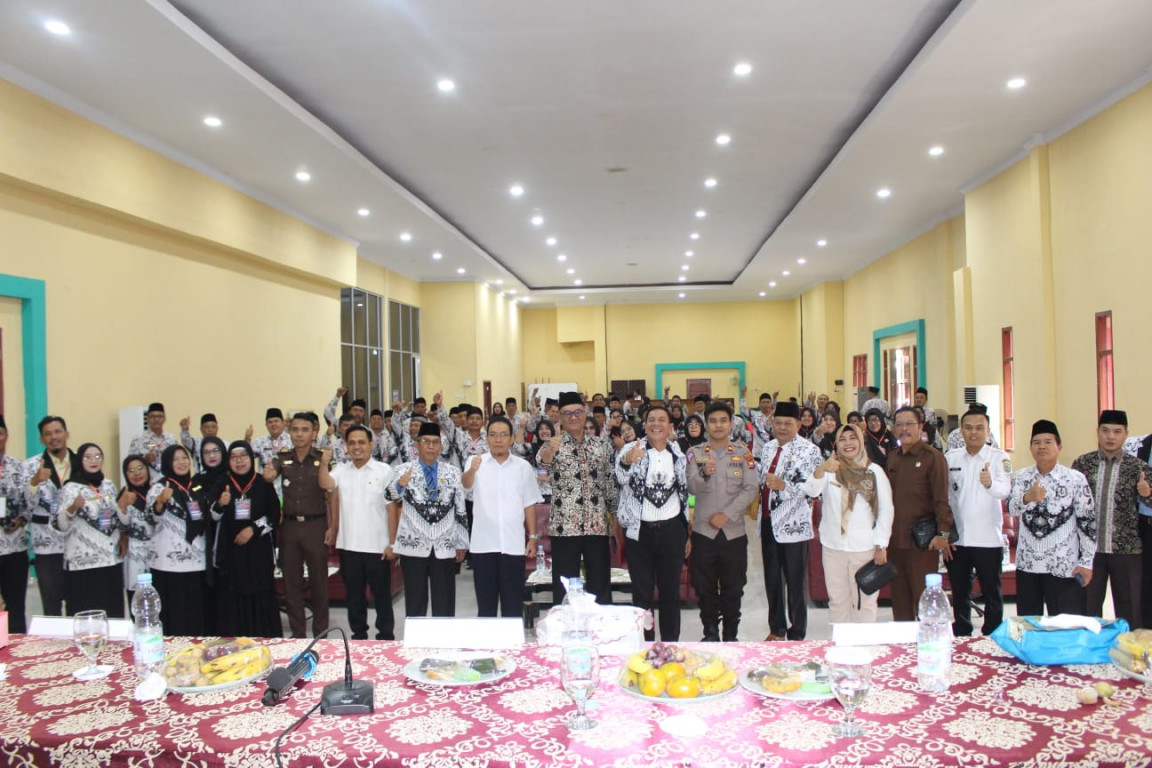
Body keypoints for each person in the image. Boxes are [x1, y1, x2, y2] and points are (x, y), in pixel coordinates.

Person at [805, 423, 894, 624]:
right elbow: (811, 490)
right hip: (833, 547)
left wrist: (881, 545)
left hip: (864, 548)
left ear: (861, 442)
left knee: (864, 602)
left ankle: (863, 642)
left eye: (853, 438)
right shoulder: (831, 469)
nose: (848, 443)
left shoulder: (874, 472)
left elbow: (886, 510)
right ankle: (840, 641)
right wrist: (821, 469)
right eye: (842, 439)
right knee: (837, 601)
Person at [686, 402, 760, 641]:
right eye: (713, 421)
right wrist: (703, 473)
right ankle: (710, 634)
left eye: (723, 421)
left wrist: (726, 515)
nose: (718, 425)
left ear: (730, 424)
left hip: (733, 534)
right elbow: (691, 487)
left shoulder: (743, 454)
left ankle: (730, 636)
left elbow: (751, 488)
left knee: (734, 588)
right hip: (703, 534)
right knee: (704, 587)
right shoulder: (695, 453)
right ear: (706, 425)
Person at [1071, 410, 1151, 628]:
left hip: (1126, 550)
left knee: (1130, 610)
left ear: (1126, 434)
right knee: (1087, 608)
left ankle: (1128, 647)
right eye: (1105, 431)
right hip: (1089, 551)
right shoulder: (1082, 464)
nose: (1110, 436)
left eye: (1117, 431)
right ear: (1097, 432)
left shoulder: (1138, 468)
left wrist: (1147, 494)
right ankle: (1089, 646)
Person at [616, 406, 690, 641]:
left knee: (670, 592)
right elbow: (620, 477)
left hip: (672, 531)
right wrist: (627, 460)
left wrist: (687, 532)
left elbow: (685, 492)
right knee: (642, 594)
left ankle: (670, 644)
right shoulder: (631, 448)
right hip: (640, 533)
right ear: (645, 424)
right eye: (651, 420)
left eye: (661, 420)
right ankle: (645, 645)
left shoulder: (678, 452)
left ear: (670, 426)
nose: (656, 424)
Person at [536, 392, 616, 605]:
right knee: (565, 587)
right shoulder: (551, 445)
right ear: (560, 418)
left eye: (577, 412)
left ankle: (600, 625)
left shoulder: (602, 445)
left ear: (585, 413)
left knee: (600, 585)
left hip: (597, 526)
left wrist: (614, 516)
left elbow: (610, 483)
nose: (573, 417)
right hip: (565, 527)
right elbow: (541, 472)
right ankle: (565, 624)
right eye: (567, 413)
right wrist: (549, 453)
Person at [1010, 420, 1095, 616]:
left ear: (1059, 447)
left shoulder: (1075, 479)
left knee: (1065, 623)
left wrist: (1086, 562)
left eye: (1048, 442)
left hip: (1063, 565)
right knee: (1029, 623)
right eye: (1036, 442)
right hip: (1028, 565)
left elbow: (1087, 522)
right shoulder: (1021, 477)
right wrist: (1027, 497)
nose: (1041, 446)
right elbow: (1012, 509)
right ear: (1030, 448)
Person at [262, 412, 335, 638]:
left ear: (314, 433)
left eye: (305, 430)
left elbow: (332, 491)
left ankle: (321, 635)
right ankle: (298, 635)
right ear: (289, 432)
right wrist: (268, 473)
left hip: (316, 526)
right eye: (295, 430)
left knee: (319, 583)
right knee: (291, 584)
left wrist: (333, 526)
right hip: (290, 527)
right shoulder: (282, 457)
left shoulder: (323, 458)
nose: (299, 434)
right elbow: (269, 475)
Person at [462, 417, 542, 617]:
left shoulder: (523, 467)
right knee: (486, 607)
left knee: (513, 605)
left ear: (511, 439)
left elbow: (529, 503)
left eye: (503, 435)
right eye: (493, 435)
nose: (498, 440)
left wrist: (533, 537)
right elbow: (465, 486)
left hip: (512, 545)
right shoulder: (474, 461)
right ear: (486, 438)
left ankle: (513, 638)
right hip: (483, 545)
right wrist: (473, 470)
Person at [386, 422, 468, 617]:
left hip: (444, 544)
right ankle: (417, 637)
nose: (431, 446)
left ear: (441, 445)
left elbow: (460, 507)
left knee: (445, 601)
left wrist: (462, 542)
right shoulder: (402, 470)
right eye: (426, 442)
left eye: (435, 442)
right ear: (417, 445)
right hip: (413, 544)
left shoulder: (452, 472)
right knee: (415, 602)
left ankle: (442, 636)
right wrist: (399, 485)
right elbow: (389, 497)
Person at [757, 401, 822, 640]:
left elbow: (813, 489)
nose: (782, 427)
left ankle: (797, 632)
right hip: (768, 522)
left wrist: (783, 486)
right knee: (772, 580)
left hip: (794, 524)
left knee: (795, 582)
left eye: (788, 423)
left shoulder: (810, 451)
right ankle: (777, 629)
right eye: (778, 423)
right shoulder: (768, 448)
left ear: (798, 424)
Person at [945, 408, 1013, 636]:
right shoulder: (951, 458)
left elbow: (1005, 491)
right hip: (959, 539)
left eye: (979, 428)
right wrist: (945, 533)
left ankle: (992, 634)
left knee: (992, 593)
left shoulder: (1000, 458)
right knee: (959, 592)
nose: (973, 432)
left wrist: (990, 483)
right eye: (968, 428)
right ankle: (962, 632)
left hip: (988, 540)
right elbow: (945, 497)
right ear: (961, 431)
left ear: (988, 431)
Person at [329, 426, 397, 639]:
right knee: (354, 596)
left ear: (371, 445)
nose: (356, 447)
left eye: (361, 442)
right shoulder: (340, 471)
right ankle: (359, 636)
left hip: (378, 546)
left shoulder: (384, 471)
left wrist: (393, 543)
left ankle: (385, 636)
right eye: (352, 443)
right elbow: (329, 491)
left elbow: (392, 509)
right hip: (349, 546)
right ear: (346, 446)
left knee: (382, 595)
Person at [885, 407, 952, 621]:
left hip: (922, 543)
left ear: (920, 427)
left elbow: (941, 498)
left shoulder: (933, 457)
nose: (904, 429)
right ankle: (903, 640)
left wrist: (943, 533)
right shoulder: (892, 457)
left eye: (909, 424)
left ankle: (928, 639)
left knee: (924, 600)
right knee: (900, 601)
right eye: (899, 424)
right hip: (895, 542)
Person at [211, 441, 281, 637]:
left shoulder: (262, 483)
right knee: (232, 598)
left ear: (251, 458)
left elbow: (275, 515)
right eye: (234, 457)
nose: (239, 461)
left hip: (259, 552)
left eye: (243, 456)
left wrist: (254, 529)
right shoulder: (222, 483)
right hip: (231, 553)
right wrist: (220, 504)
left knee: (260, 597)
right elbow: (212, 517)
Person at [56, 443, 128, 617]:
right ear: (79, 461)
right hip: (83, 565)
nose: (93, 460)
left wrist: (123, 534)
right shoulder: (71, 488)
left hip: (110, 561)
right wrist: (73, 507)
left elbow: (116, 517)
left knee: (112, 615)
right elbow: (61, 525)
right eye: (87, 457)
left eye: (97, 456)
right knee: (85, 615)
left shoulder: (108, 485)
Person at [146, 445, 208, 635]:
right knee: (174, 615)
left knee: (196, 615)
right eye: (176, 459)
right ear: (167, 463)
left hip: (197, 561)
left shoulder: (196, 486)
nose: (182, 462)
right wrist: (160, 502)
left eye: (184, 457)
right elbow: (151, 518)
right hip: (169, 565)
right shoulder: (159, 487)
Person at [24, 415, 74, 616]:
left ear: (66, 434)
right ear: (41, 439)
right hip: (47, 545)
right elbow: (24, 507)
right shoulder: (30, 466)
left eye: (57, 432)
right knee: (52, 607)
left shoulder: (81, 461)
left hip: (77, 544)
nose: (54, 437)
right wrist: (34, 483)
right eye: (48, 434)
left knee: (78, 604)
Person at [191, 436, 229, 634]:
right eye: (206, 452)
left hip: (225, 540)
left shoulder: (231, 477)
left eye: (215, 451)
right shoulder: (196, 480)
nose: (211, 456)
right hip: (202, 539)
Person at [0, 415, 29, 634]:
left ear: (6, 436)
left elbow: (31, 502)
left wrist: (22, 519)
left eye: (0, 434)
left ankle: (18, 648)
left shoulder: (19, 467)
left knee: (16, 607)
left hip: (15, 548)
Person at [118, 455, 154, 608]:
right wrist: (123, 507)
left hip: (157, 554)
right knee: (138, 603)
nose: (137, 473)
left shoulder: (156, 491)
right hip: (135, 556)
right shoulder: (124, 495)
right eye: (131, 470)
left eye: (140, 468)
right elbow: (120, 526)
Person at [129, 402, 179, 479]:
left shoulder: (172, 439)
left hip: (169, 480)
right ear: (147, 419)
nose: (156, 419)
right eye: (153, 416)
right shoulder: (138, 439)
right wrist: (144, 460)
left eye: (160, 416)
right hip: (147, 481)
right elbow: (130, 464)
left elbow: (177, 460)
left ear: (164, 419)